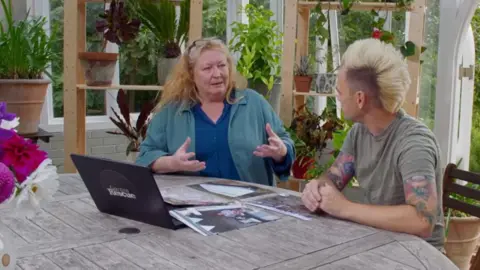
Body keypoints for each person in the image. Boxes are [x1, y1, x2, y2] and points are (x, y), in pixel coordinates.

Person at [301, 38, 445, 251]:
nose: (337, 98)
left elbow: (422, 221)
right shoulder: (359, 132)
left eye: (339, 92)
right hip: (380, 246)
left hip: (420, 256)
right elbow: (333, 180)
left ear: (360, 99)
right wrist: (316, 189)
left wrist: (345, 208)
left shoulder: (414, 143)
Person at [135, 38, 295, 186]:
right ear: (191, 74)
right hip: (192, 208)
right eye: (207, 68)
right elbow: (145, 156)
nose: (217, 74)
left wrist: (281, 151)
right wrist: (171, 163)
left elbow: (284, 143)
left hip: (249, 206)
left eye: (221, 65)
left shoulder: (254, 103)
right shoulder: (172, 111)